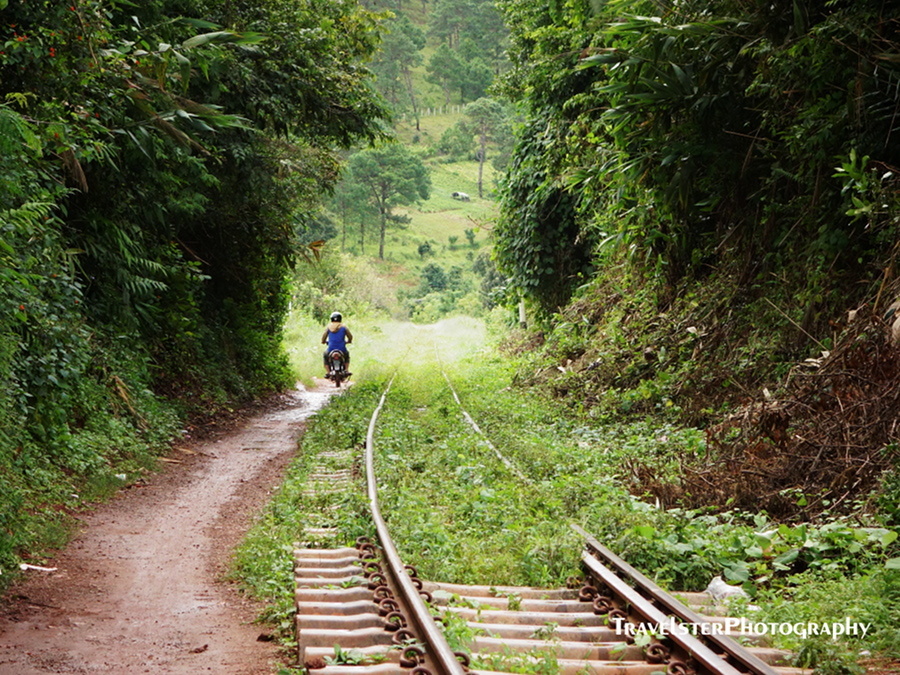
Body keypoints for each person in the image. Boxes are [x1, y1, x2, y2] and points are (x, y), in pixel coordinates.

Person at [322, 311, 352, 376]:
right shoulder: (344, 327)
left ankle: (328, 372)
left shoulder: (328, 327)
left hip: (330, 349)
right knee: (346, 356)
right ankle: (346, 370)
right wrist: (349, 341)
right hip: (342, 349)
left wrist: (323, 341)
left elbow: (323, 337)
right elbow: (350, 336)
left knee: (325, 356)